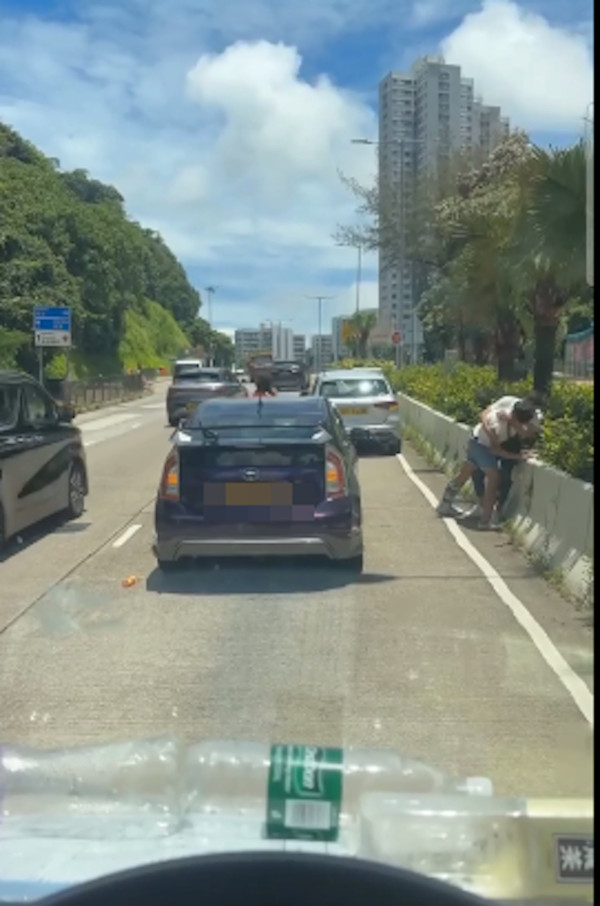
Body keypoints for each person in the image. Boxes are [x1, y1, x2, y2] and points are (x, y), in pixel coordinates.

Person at [437, 396, 537, 529]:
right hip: (481, 445)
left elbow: (529, 433)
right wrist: (518, 456)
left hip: (476, 441)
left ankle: (445, 503)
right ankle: (485, 520)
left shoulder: (515, 420)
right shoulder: (498, 423)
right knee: (494, 478)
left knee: (465, 473)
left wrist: (517, 428)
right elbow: (496, 450)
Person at [464, 394, 544, 524]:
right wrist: (489, 431)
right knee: (477, 470)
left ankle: (498, 509)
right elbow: (485, 413)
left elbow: (528, 434)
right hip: (492, 436)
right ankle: (482, 503)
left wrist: (512, 422)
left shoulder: (535, 415)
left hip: (512, 443)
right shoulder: (507, 401)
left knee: (505, 474)